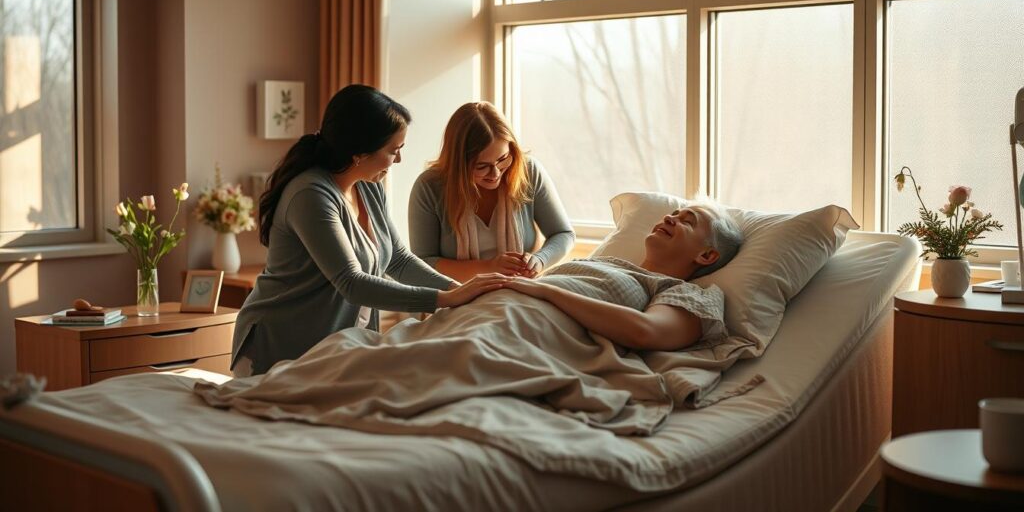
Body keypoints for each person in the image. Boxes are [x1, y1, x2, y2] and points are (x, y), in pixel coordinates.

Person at [232, 85, 509, 376]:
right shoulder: (310, 195)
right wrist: (444, 300)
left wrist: (458, 290)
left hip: (334, 349)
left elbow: (398, 260)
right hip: (280, 348)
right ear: (359, 153)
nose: (398, 160)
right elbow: (352, 282)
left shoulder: (369, 187)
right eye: (394, 150)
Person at [502, 201, 743, 351]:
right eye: (674, 213)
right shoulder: (605, 264)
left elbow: (646, 331)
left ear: (707, 255)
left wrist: (546, 291)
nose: (669, 218)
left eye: (687, 222)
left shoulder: (683, 293)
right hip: (497, 310)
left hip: (522, 333)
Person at [409, 102, 575, 281]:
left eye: (503, 159)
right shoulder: (429, 187)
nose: (495, 173)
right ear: (458, 164)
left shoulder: (528, 171)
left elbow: (563, 234)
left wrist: (540, 260)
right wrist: (489, 268)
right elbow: (423, 263)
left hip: (520, 291)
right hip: (455, 297)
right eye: (482, 166)